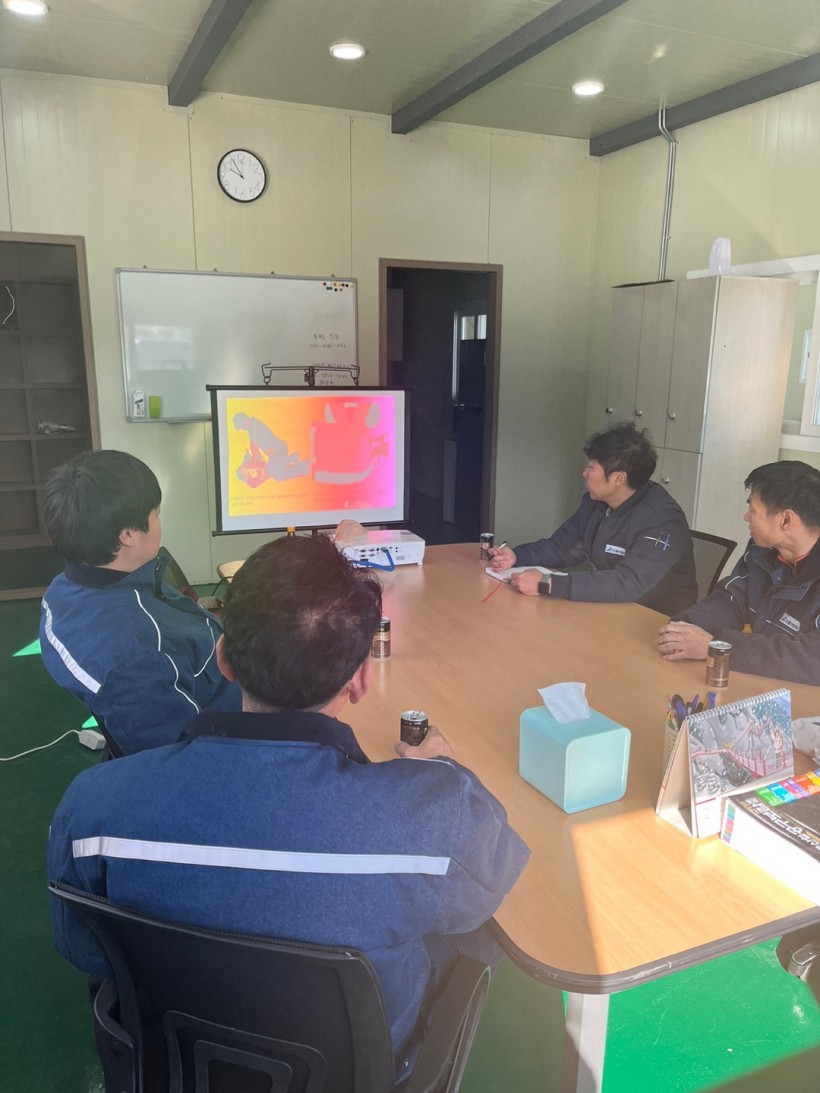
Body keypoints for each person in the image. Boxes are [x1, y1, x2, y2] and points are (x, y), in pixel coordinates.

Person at [47, 534, 529, 1081]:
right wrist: (441, 770)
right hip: (359, 1072)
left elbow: (86, 950)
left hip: (179, 1058)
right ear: (360, 679)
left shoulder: (92, 805)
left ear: (224, 659)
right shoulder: (436, 819)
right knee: (478, 935)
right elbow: (486, 888)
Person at [39, 450, 241, 755]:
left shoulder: (64, 589)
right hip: (238, 727)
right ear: (128, 535)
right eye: (156, 514)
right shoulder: (140, 657)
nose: (160, 522)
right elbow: (182, 757)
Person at [489, 422, 697, 615]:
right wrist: (517, 556)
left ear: (618, 479)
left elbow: (628, 582)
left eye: (591, 468)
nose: (584, 473)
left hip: (656, 619)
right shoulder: (596, 503)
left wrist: (548, 584)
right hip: (611, 607)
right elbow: (562, 548)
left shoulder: (663, 521)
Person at [657, 461, 820, 685]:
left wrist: (717, 647)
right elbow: (731, 600)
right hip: (763, 682)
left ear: (786, 519)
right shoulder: (762, 551)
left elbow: (813, 658)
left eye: (753, 509)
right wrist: (685, 627)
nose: (746, 517)